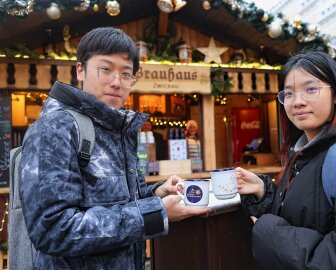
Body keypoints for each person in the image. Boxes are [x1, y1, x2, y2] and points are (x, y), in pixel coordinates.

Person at [18, 27, 208, 270]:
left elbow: (120, 202)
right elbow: (52, 229)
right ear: (80, 70)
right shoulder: (55, 129)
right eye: (106, 69)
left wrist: (157, 194)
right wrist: (153, 213)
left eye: (126, 74)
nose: (117, 82)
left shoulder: (118, 130)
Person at [236, 51, 336, 270]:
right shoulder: (302, 155)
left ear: (335, 94)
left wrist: (271, 234)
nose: (298, 102)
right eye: (289, 93)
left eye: (311, 89)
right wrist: (264, 192)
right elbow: (304, 216)